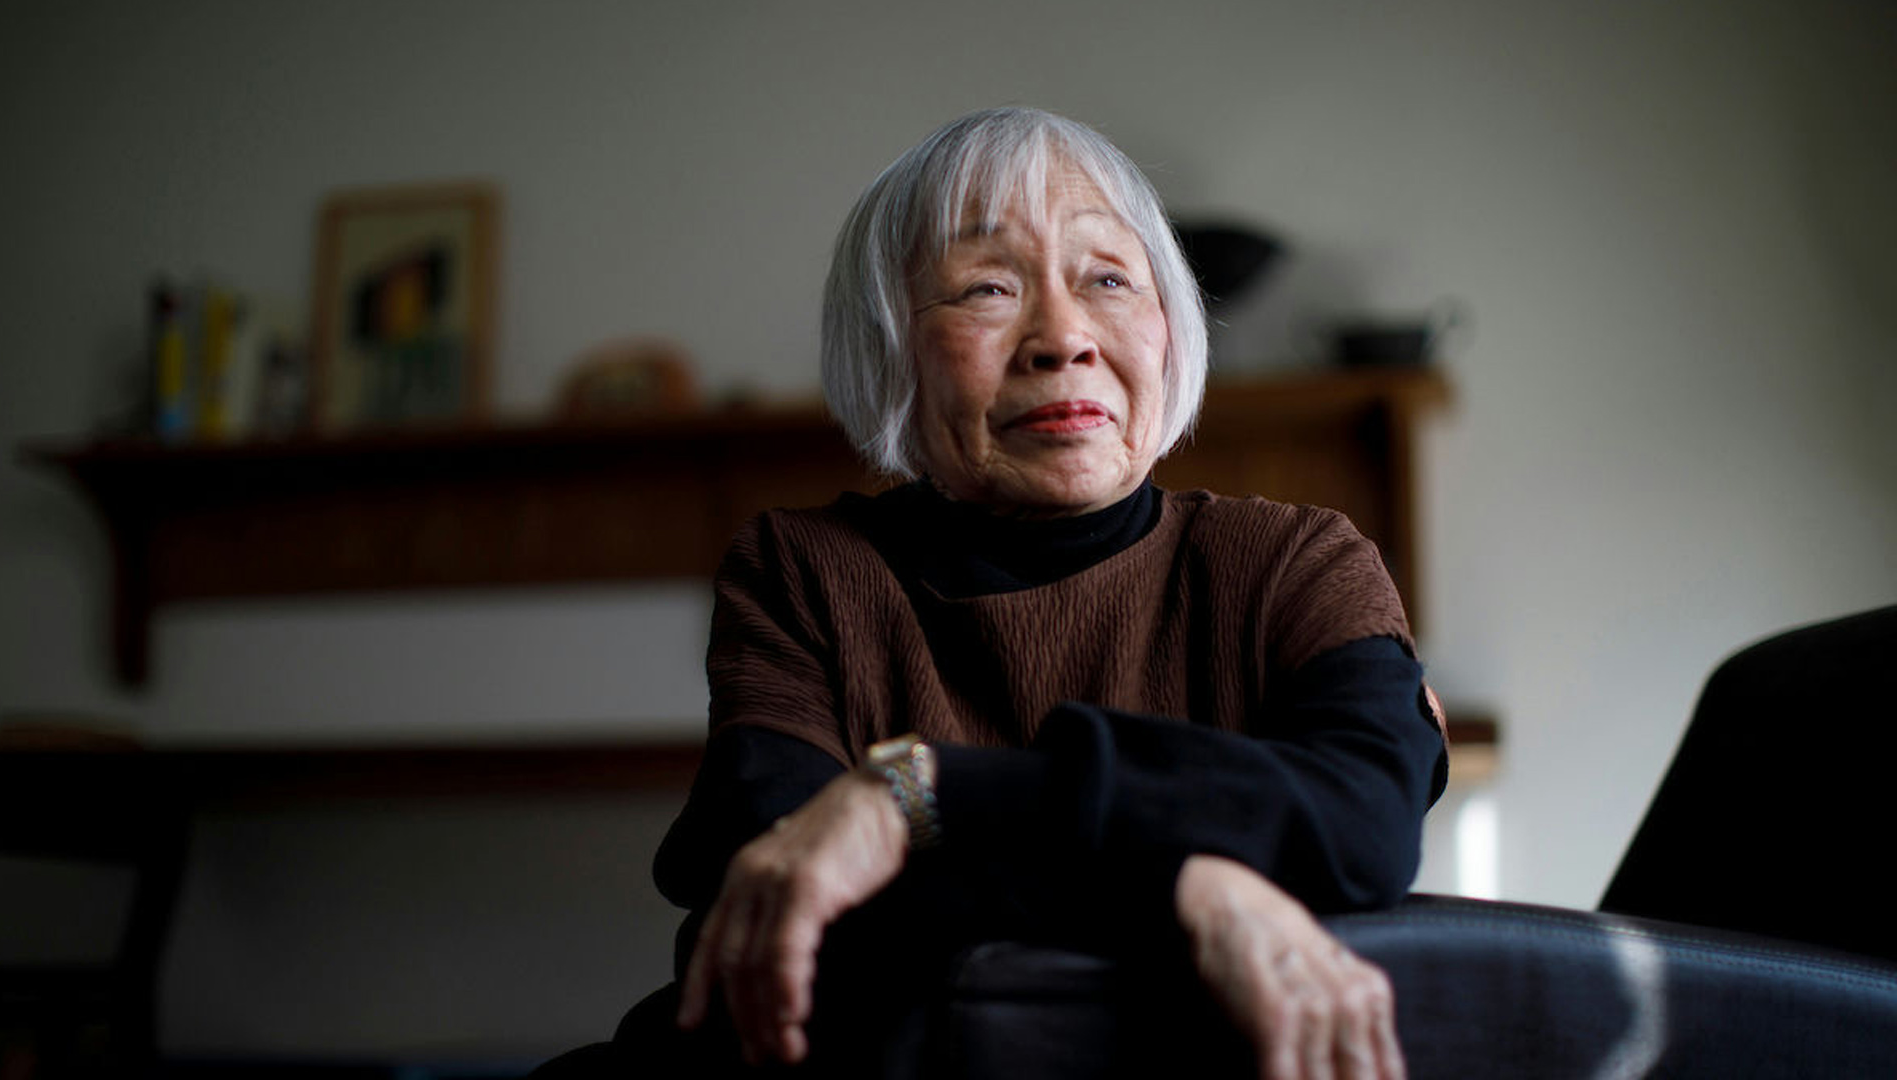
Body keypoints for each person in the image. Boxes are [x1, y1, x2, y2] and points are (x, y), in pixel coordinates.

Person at [580, 106, 1447, 1080]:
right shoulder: (805, 569)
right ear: (890, 348)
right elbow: (777, 893)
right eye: (985, 287)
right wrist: (1189, 884)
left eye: (1110, 279)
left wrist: (919, 794)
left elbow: (1362, 821)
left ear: (1166, 327)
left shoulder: (1297, 561)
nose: (1063, 337)